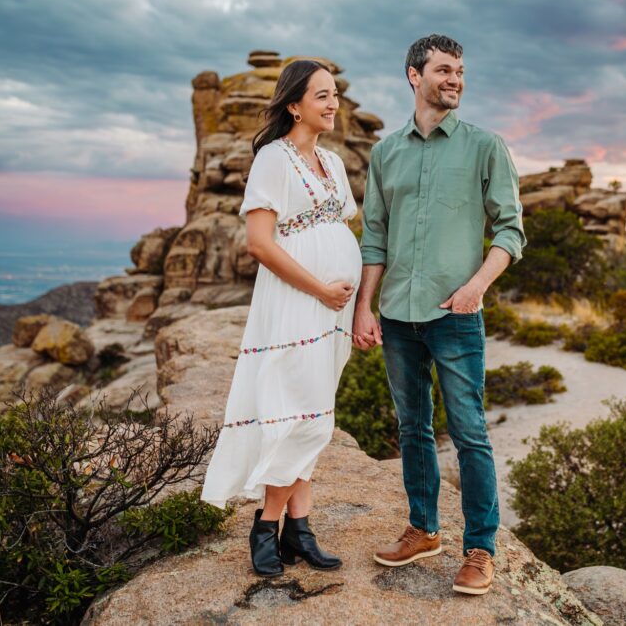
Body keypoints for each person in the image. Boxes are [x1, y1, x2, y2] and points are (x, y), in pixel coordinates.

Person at [353, 34, 526, 595]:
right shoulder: (386, 153)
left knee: (470, 434)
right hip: (398, 315)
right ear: (414, 75)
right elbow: (374, 236)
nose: (455, 80)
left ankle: (480, 549)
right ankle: (423, 529)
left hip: (456, 315)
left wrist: (477, 286)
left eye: (460, 72)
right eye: (444, 70)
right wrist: (365, 307)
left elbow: (511, 231)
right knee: (412, 429)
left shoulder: (485, 147)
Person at [200, 59, 360, 577]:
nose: (333, 103)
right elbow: (259, 244)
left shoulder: (333, 165)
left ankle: (299, 528)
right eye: (321, 96)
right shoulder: (273, 158)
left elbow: (341, 231)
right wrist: (319, 288)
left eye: (334, 94)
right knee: (303, 414)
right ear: (294, 104)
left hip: (333, 309)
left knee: (312, 411)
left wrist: (355, 302)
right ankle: (267, 526)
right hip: (297, 301)